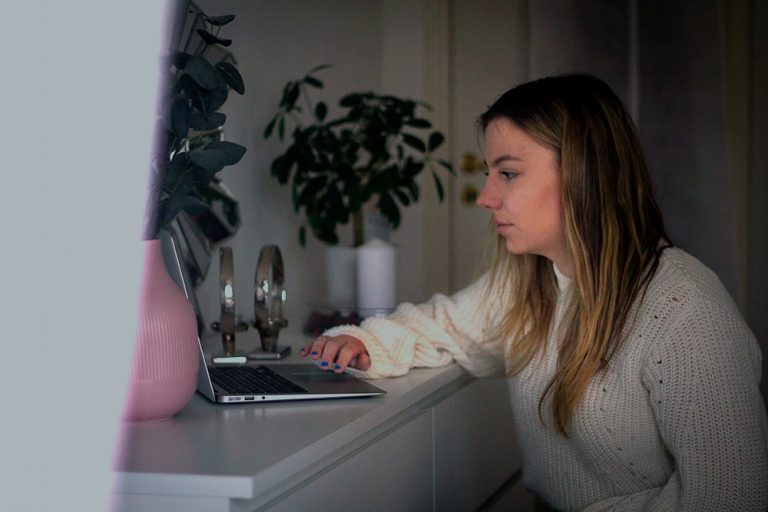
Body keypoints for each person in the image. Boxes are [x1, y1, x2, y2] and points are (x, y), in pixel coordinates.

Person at [299, 74, 768, 511]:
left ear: (585, 173)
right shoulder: (528, 284)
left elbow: (732, 498)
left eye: (507, 173)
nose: (485, 197)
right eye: (489, 173)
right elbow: (441, 326)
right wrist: (363, 343)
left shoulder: (685, 310)